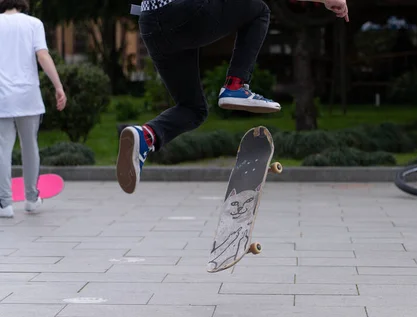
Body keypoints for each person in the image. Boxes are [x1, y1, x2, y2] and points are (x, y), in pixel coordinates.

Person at [117, 0, 350, 194]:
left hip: (150, 23)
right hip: (185, 11)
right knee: (259, 10)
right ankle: (236, 86)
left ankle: (145, 136)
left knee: (192, 109)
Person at [0, 0, 67, 218]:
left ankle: (5, 204)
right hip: (28, 96)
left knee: (3, 149)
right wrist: (58, 86)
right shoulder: (33, 23)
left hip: (2, 97)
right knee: (30, 147)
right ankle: (31, 198)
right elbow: (43, 56)